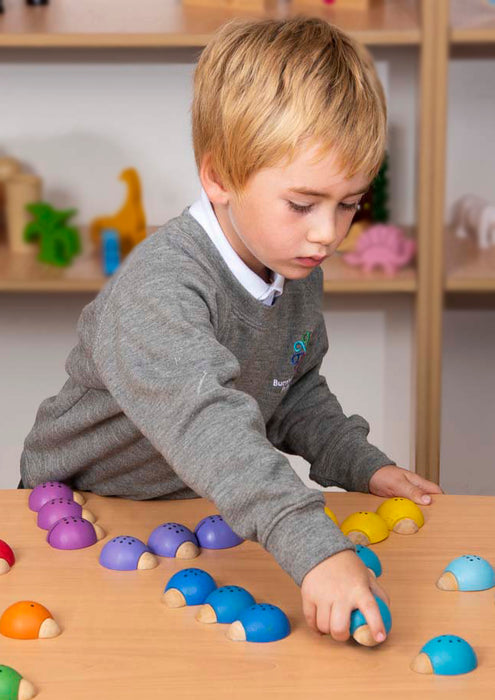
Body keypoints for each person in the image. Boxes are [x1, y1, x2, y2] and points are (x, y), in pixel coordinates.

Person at [20, 17, 442, 643]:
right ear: (218, 177)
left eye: (349, 203)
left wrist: (361, 464)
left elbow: (291, 391)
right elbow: (208, 423)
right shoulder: (160, 288)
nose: (328, 232)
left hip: (192, 508)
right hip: (87, 509)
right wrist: (315, 550)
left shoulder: (293, 263)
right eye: (303, 204)